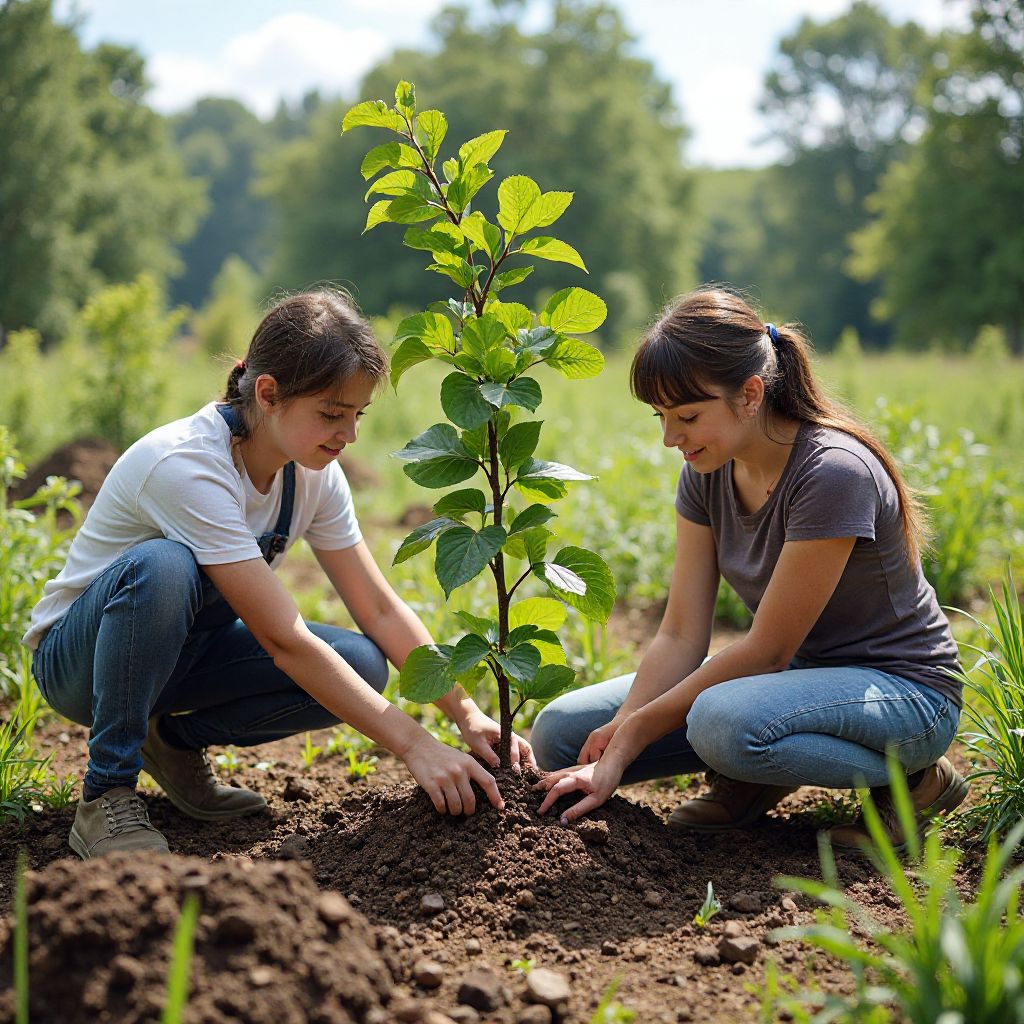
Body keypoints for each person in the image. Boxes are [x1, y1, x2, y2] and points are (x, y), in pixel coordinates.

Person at [26, 289, 532, 860]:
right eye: (331, 414)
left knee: (363, 664)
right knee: (162, 566)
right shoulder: (187, 466)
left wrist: (463, 712)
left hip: (182, 655)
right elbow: (282, 639)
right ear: (268, 394)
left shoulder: (311, 476)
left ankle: (168, 743)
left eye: (357, 415)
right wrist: (416, 745)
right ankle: (106, 794)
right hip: (80, 665)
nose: (349, 435)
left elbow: (380, 608)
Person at [530, 288, 967, 852]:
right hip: (790, 685)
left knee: (723, 723)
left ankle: (915, 782)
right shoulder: (706, 472)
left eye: (687, 416)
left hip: (902, 693)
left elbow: (767, 651)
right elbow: (681, 633)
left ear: (751, 394)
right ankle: (751, 772)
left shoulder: (833, 472)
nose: (670, 438)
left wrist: (634, 732)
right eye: (661, 416)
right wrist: (617, 737)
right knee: (562, 732)